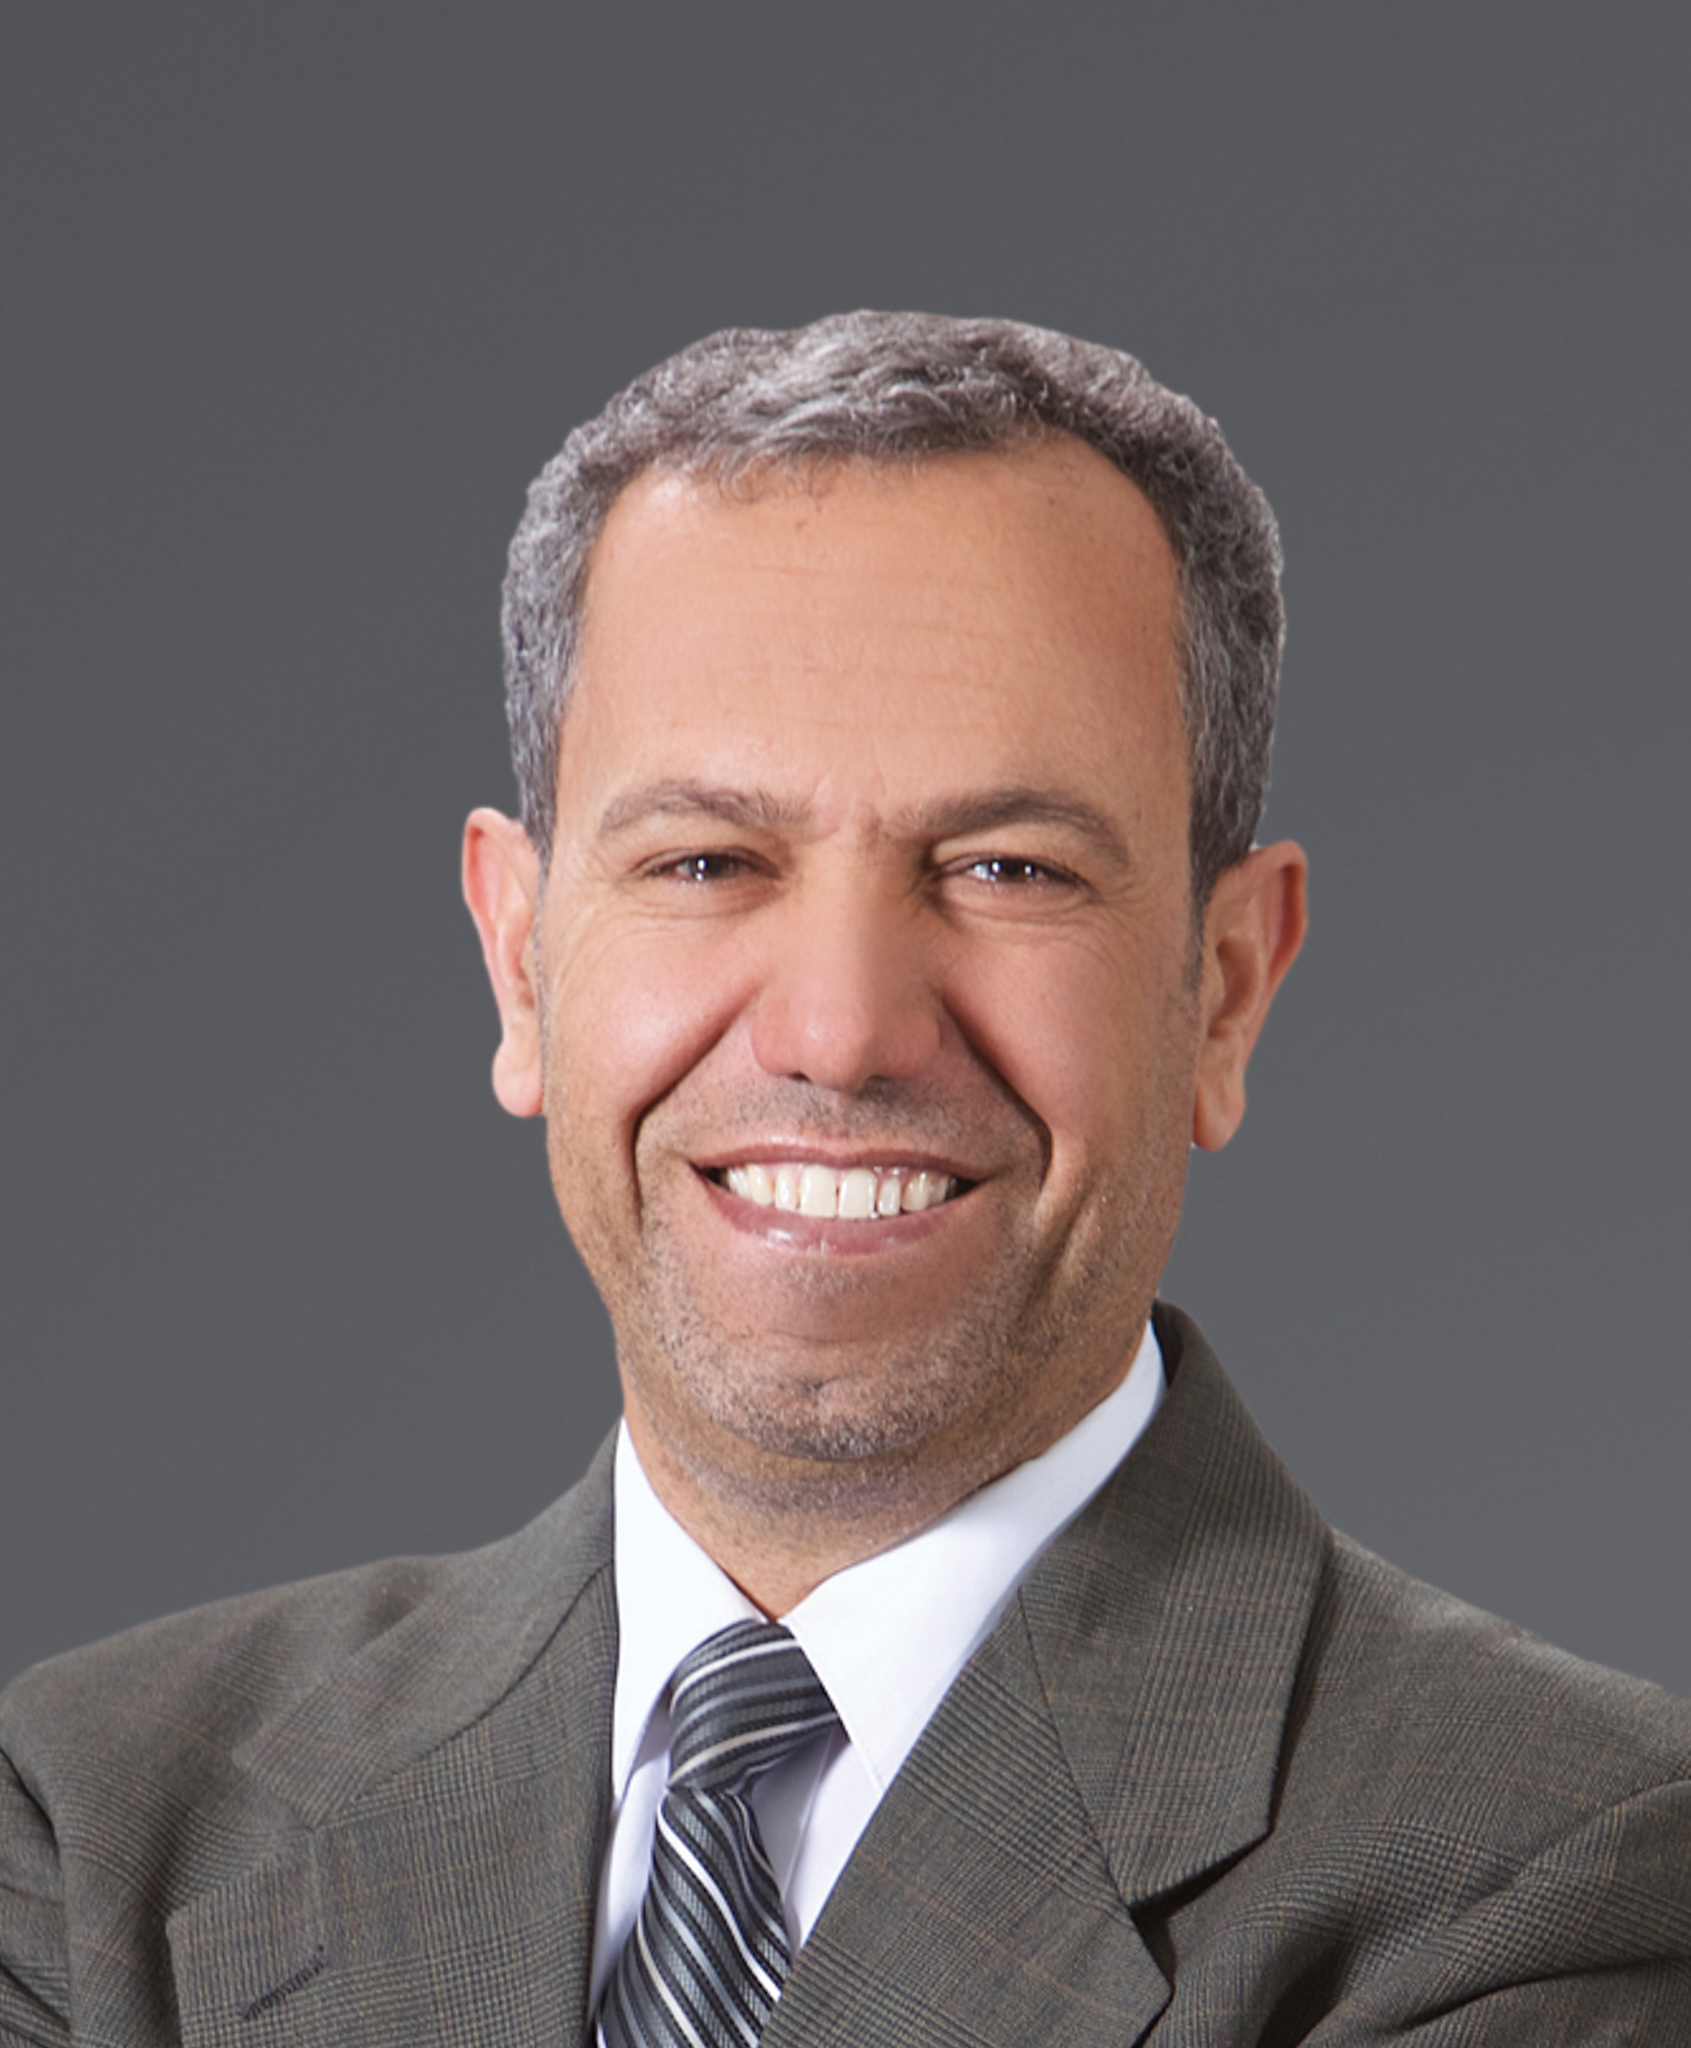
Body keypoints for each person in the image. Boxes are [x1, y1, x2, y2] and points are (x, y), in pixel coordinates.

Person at [3, 312, 1688, 2047]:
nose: (840, 1031)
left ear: (1227, 989)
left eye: (1007, 868)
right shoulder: (97, 1825)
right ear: (521, 961)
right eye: (706, 860)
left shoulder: (1556, 1879)